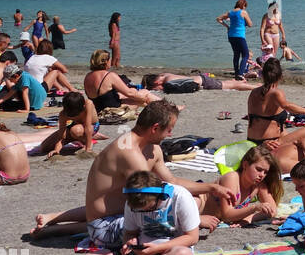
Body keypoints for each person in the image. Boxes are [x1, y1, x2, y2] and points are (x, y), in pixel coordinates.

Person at [29, 100, 236, 240]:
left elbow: (171, 180)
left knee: (191, 204)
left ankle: (54, 227)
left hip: (117, 211)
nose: (171, 133)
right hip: (104, 224)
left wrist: (210, 188)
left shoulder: (152, 148)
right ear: (155, 128)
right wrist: (194, 220)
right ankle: (55, 230)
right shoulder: (129, 153)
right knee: (177, 230)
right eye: (168, 129)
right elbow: (154, 199)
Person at [78, 171, 200, 255]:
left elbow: (192, 237)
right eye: (139, 210)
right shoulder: (132, 203)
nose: (144, 212)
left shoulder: (180, 197)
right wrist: (130, 242)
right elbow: (130, 233)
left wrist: (158, 248)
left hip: (168, 254)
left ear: (160, 196)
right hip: (139, 254)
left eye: (149, 208)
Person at [199, 143, 283, 229]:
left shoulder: (258, 185)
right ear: (245, 165)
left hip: (208, 216)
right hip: (196, 206)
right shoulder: (232, 178)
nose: (262, 175)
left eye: (265, 172)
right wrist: (254, 208)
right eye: (259, 169)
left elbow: (272, 210)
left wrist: (249, 218)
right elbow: (227, 215)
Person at [246, 58, 305, 148]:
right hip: (268, 143)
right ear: (280, 76)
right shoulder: (276, 92)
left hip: (251, 141)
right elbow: (287, 106)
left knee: (285, 132)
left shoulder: (254, 92)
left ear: (263, 75)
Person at [84, 49, 161, 111]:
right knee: (144, 93)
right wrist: (142, 97)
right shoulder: (109, 75)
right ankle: (165, 106)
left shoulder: (87, 76)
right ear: (106, 61)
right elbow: (130, 93)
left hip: (98, 109)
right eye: (110, 59)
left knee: (129, 95)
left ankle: (158, 108)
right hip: (113, 110)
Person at [33, 92, 98, 156]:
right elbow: (61, 136)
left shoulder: (88, 104)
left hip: (91, 126)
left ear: (83, 106)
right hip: (74, 126)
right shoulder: (63, 114)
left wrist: (88, 148)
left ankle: (87, 140)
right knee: (44, 147)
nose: (73, 116)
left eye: (75, 114)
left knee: (76, 131)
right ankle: (76, 137)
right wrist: (56, 150)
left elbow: (88, 127)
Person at [218, 0, 253, 79]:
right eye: (245, 6)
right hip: (239, 36)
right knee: (246, 54)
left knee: (236, 54)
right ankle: (241, 73)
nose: (245, 8)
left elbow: (218, 19)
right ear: (243, 5)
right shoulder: (243, 12)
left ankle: (237, 74)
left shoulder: (230, 12)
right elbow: (250, 24)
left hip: (231, 35)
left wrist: (227, 26)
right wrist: (244, 23)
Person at [141, 72, 259, 93]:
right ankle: (243, 81)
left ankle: (255, 87)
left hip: (204, 82)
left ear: (157, 82)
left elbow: (178, 87)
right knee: (226, 83)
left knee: (232, 86)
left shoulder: (167, 81)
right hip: (202, 79)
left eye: (153, 86)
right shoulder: (165, 75)